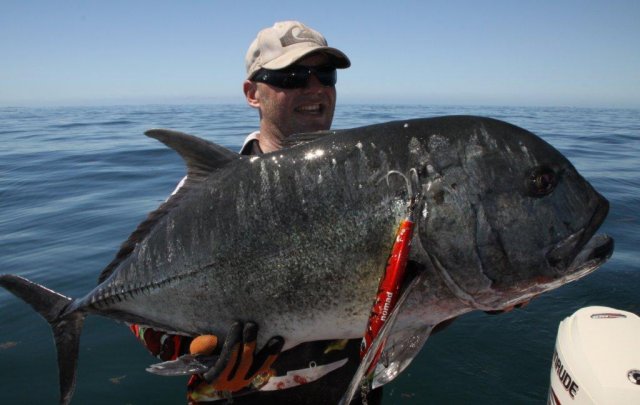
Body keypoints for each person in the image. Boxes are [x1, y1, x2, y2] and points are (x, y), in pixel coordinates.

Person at [131, 21, 383, 404]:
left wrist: (485, 288)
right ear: (253, 93)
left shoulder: (367, 179)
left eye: (325, 75)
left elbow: (399, 295)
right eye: (292, 76)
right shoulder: (209, 195)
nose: (314, 87)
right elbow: (138, 309)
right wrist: (199, 357)